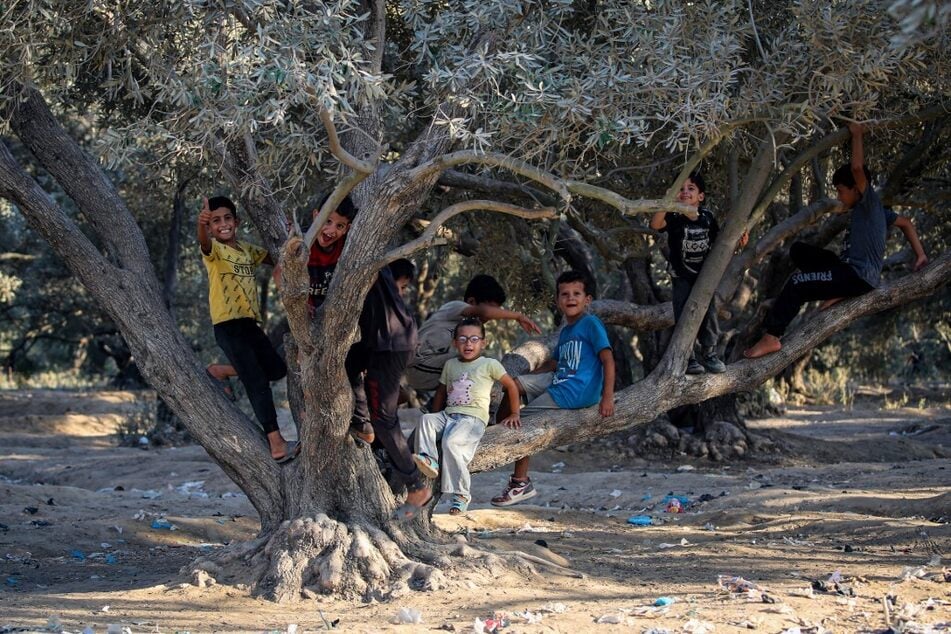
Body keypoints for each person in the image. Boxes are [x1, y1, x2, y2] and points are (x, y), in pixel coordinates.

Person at [744, 123, 928, 358]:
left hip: (856, 276)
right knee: (799, 251)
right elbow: (907, 223)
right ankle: (837, 289)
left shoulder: (868, 201)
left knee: (798, 282)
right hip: (848, 272)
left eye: (842, 191)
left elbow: (857, 168)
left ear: (856, 188)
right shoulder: (878, 212)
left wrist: (857, 134)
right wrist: (920, 254)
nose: (839, 196)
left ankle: (772, 337)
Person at [491, 271, 615, 507]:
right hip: (558, 379)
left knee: (521, 424)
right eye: (565, 294)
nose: (571, 298)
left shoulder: (591, 323)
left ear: (587, 299)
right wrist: (528, 377)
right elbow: (555, 363)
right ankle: (496, 425)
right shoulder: (567, 331)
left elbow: (607, 359)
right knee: (514, 385)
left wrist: (606, 397)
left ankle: (520, 483)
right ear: (558, 301)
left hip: (573, 392)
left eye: (576, 294)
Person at [197, 196, 297, 463]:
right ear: (210, 227)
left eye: (227, 218)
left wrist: (289, 235)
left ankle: (220, 371)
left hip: (250, 323)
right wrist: (202, 225)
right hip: (228, 325)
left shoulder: (246, 250)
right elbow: (204, 243)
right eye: (216, 221)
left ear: (236, 222)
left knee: (276, 369)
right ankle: (276, 442)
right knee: (256, 381)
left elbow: (276, 258)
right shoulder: (213, 251)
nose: (223, 224)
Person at [345, 266, 431, 520]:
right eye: (401, 287)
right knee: (345, 365)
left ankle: (416, 486)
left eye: (403, 288)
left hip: (391, 344)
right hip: (376, 342)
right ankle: (363, 424)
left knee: (384, 418)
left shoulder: (375, 265)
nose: (400, 293)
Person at [412, 318, 521, 515]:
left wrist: (514, 412)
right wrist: (436, 415)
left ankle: (461, 494)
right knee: (425, 420)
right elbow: (441, 393)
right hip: (448, 415)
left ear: (483, 342)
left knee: (451, 443)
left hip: (472, 419)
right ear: (455, 343)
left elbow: (511, 385)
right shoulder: (451, 364)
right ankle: (430, 459)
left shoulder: (489, 364)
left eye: (473, 339)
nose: (468, 344)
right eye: (462, 339)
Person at [650, 172, 747, 374]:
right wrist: (667, 201)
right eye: (681, 189)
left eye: (691, 188)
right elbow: (655, 224)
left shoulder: (707, 217)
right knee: (683, 314)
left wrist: (738, 245)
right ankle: (689, 357)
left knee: (709, 313)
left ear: (701, 196)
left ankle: (710, 353)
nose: (685, 192)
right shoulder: (673, 216)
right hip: (681, 276)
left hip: (704, 277)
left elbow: (721, 243)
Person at [406, 275, 541, 395]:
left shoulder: (472, 328)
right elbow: (485, 312)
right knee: (475, 362)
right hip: (418, 365)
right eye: (492, 310)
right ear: (471, 302)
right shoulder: (454, 307)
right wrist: (517, 316)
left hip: (429, 372)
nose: (491, 317)